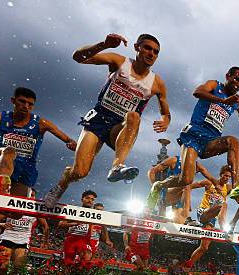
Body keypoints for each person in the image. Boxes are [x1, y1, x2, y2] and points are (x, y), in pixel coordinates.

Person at [44, 33, 171, 208]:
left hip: (120, 128)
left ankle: (117, 166)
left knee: (134, 116)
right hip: (98, 121)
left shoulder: (157, 83)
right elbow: (78, 57)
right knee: (80, 172)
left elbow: (166, 113)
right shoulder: (119, 61)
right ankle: (63, 182)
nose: (151, 54)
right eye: (147, 48)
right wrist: (103, 44)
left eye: (156, 52)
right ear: (137, 47)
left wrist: (166, 121)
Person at [146, 67, 239, 211]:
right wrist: (223, 101)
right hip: (193, 136)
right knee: (186, 179)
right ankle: (159, 185)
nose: (238, 84)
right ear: (227, 76)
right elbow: (197, 92)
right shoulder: (214, 85)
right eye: (236, 79)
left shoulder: (236, 102)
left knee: (233, 141)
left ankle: (236, 187)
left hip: (210, 141)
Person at [0, 87, 76, 197]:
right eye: (22, 101)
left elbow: (67, 139)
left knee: (16, 212)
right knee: (9, 151)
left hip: (26, 166)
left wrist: (72, 144)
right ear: (13, 101)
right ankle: (4, 182)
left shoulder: (42, 123)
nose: (26, 106)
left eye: (30, 104)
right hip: (1, 158)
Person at [0, 191, 49, 275]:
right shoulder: (12, 206)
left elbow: (45, 226)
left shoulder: (36, 210)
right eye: (28, 194)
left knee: (18, 267)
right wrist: (2, 225)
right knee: (3, 266)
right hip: (7, 238)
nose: (30, 196)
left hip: (23, 241)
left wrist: (44, 241)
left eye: (32, 195)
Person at [183, 166, 232, 268]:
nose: (227, 178)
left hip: (212, 218)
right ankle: (224, 228)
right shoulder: (209, 183)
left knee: (204, 247)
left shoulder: (228, 188)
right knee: (223, 205)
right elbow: (188, 186)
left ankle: (188, 265)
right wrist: (187, 204)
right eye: (225, 175)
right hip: (203, 212)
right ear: (221, 174)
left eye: (229, 177)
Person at [147, 156, 213, 225]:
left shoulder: (196, 165)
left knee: (179, 225)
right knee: (186, 184)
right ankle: (187, 217)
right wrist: (156, 190)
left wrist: (214, 183)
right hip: (167, 193)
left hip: (178, 198)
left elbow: (209, 177)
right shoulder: (174, 160)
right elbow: (151, 172)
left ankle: (184, 219)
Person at [59, 190, 108, 267]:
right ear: (82, 199)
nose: (90, 201)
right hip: (71, 240)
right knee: (67, 265)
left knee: (85, 264)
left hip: (85, 241)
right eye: (87, 198)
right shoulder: (73, 210)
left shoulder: (95, 214)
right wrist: (75, 223)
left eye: (92, 199)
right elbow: (61, 224)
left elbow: (101, 229)